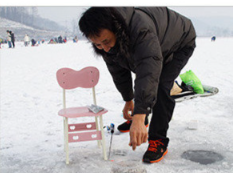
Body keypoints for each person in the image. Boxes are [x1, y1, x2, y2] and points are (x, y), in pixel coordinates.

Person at [79, 7, 196, 163]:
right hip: (158, 41)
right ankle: (141, 118)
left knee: (162, 85)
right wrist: (129, 100)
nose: (105, 48)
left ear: (116, 28)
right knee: (146, 77)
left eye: (106, 41)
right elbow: (119, 73)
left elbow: (148, 70)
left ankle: (158, 140)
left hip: (180, 41)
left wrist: (140, 114)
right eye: (98, 45)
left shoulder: (141, 31)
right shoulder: (106, 46)